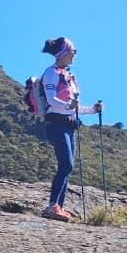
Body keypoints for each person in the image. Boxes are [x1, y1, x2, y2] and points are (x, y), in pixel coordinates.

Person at [39, 36, 102, 221]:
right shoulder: (51, 73)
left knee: (68, 166)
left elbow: (74, 106)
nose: (75, 54)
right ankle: (53, 206)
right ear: (63, 53)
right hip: (56, 123)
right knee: (66, 164)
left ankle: (59, 206)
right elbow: (51, 100)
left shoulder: (69, 77)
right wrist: (69, 106)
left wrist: (92, 110)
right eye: (73, 51)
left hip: (68, 124)